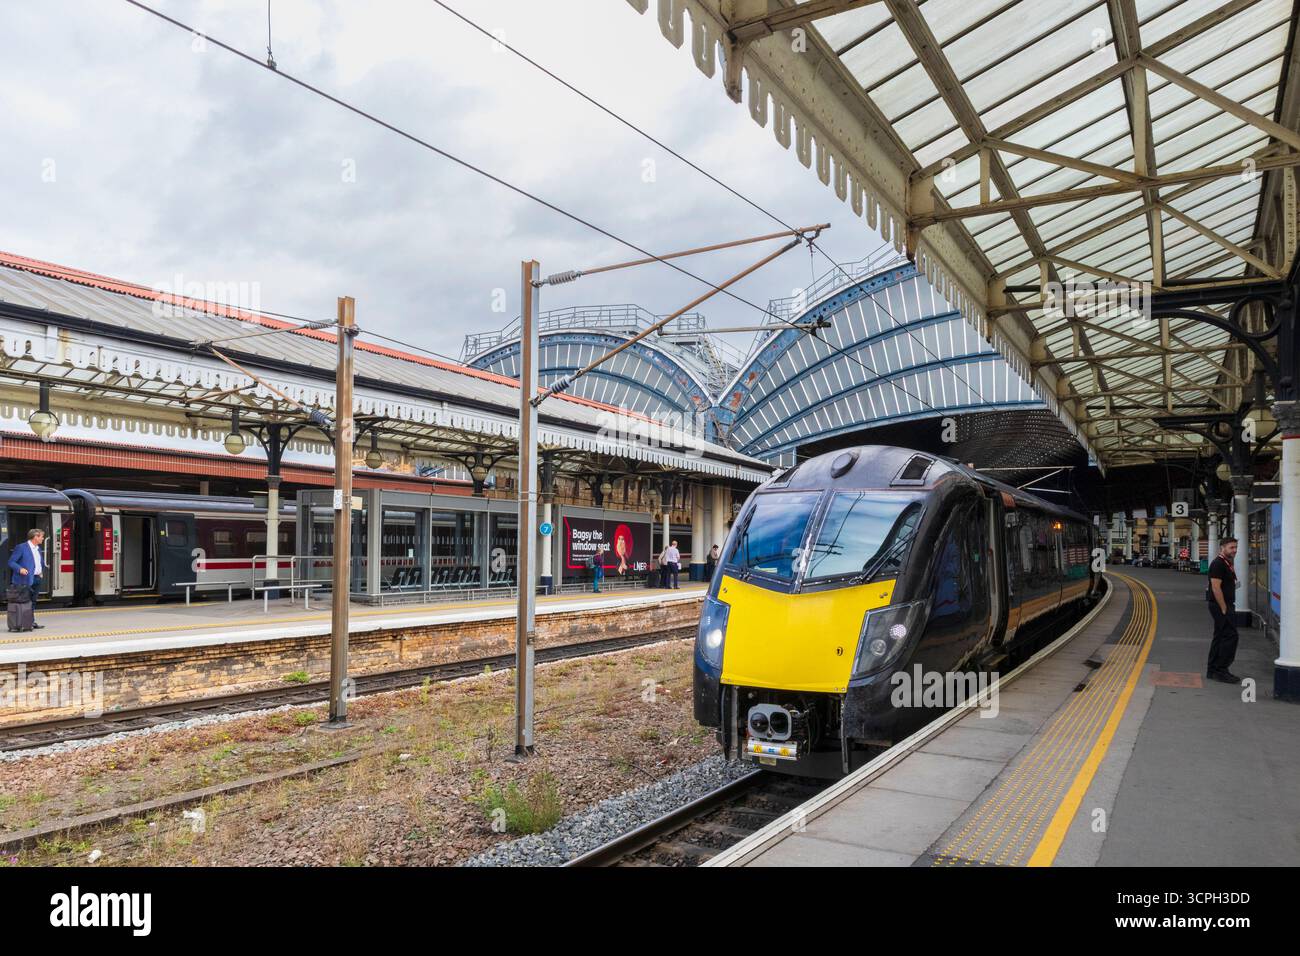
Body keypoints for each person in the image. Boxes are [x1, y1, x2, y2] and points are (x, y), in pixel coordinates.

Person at [1206, 537, 1241, 683]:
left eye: (1235, 547)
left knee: (1220, 636)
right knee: (1230, 636)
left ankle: (1213, 669)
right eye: (1231, 547)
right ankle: (1221, 670)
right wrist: (1224, 608)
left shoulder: (1225, 563)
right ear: (1222, 548)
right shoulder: (1218, 564)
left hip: (1224, 605)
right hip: (1222, 605)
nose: (1234, 550)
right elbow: (1216, 587)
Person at [7, 528, 46, 631]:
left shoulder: (38, 548)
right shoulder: (21, 547)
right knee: (24, 602)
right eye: (41, 536)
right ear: (35, 537)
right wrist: (20, 569)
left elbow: (39, 563)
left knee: (33, 602)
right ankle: (23, 623)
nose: (43, 538)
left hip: (36, 578)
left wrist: (41, 571)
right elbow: (11, 562)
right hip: (24, 579)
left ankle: (30, 622)